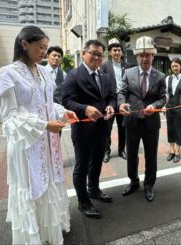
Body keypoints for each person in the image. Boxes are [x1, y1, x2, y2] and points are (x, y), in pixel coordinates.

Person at [0, 25, 78, 244]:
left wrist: (63, 112)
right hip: (26, 143)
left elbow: (47, 104)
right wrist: (43, 125)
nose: (44, 52)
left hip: (47, 140)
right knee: (31, 187)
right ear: (24, 44)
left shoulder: (43, 72)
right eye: (40, 47)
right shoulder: (8, 73)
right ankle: (33, 237)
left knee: (49, 180)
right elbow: (10, 116)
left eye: (46, 47)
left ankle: (50, 230)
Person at [62, 40, 115, 219]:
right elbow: (66, 101)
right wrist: (84, 108)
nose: (97, 57)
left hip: (102, 128)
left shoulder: (105, 77)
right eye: (93, 53)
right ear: (84, 53)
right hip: (83, 130)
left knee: (97, 162)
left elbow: (111, 97)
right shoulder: (73, 75)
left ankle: (94, 189)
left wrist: (110, 106)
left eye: (100, 54)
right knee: (81, 166)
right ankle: (83, 201)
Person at [118, 36, 166, 202]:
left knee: (151, 155)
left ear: (153, 56)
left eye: (148, 55)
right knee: (131, 154)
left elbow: (163, 98)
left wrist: (155, 105)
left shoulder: (160, 76)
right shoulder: (128, 72)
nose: (145, 58)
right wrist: (121, 104)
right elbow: (122, 92)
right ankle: (133, 181)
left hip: (151, 123)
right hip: (131, 121)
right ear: (136, 56)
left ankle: (149, 184)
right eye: (141, 55)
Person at [100, 38, 130, 163]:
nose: (117, 52)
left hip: (123, 100)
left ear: (121, 52)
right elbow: (101, 83)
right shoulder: (104, 66)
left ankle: (121, 149)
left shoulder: (127, 66)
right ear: (110, 52)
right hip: (109, 101)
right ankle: (106, 152)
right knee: (107, 128)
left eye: (119, 50)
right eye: (114, 50)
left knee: (123, 127)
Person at [165, 57, 181, 163]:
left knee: (179, 130)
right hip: (169, 108)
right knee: (170, 129)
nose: (174, 68)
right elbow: (166, 94)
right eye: (173, 66)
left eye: (176, 66)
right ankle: (171, 151)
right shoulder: (168, 79)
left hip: (180, 108)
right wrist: (163, 107)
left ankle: (177, 152)